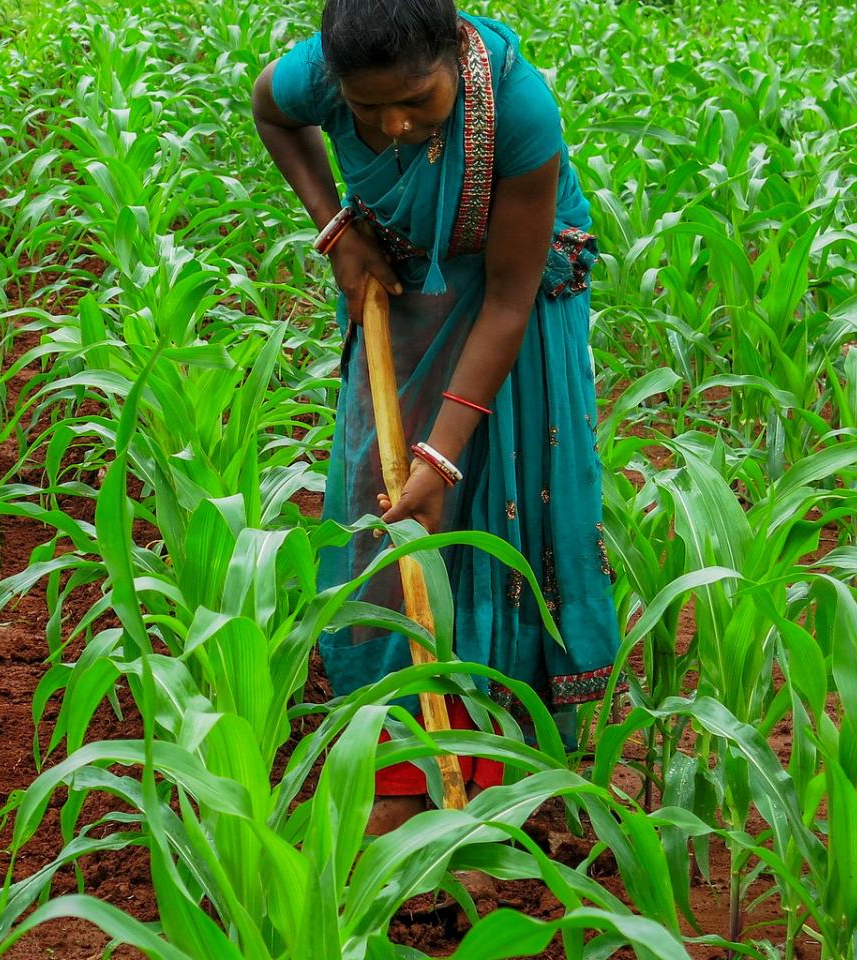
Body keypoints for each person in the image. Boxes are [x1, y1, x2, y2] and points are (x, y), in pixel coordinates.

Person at [252, 0, 620, 832]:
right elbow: (269, 109)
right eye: (368, 106)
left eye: (417, 99)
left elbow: (508, 299)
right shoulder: (319, 74)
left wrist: (442, 456)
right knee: (384, 520)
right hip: (403, 292)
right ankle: (398, 758)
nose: (393, 124)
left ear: (452, 54)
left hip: (513, 315)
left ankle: (498, 759)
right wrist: (337, 228)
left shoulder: (519, 111)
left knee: (499, 512)